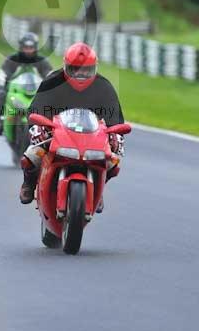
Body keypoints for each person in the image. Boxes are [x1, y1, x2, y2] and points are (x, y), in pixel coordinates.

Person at [19, 42, 125, 211]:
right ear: (66, 66)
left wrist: (116, 136)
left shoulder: (104, 86)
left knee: (113, 162)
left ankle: (98, 188)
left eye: (86, 70)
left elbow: (115, 119)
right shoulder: (52, 82)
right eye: (76, 69)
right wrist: (38, 128)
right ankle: (28, 183)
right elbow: (36, 109)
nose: (81, 74)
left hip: (92, 136)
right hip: (55, 132)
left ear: (94, 68)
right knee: (32, 155)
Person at [0, 32, 52, 135]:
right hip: (15, 92)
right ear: (21, 47)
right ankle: (1, 122)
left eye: (31, 47)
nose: (28, 50)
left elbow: (50, 75)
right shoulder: (12, 60)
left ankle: (48, 128)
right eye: (26, 47)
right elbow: (2, 74)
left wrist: (52, 85)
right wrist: (1, 86)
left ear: (36, 47)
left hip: (36, 93)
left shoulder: (42, 61)